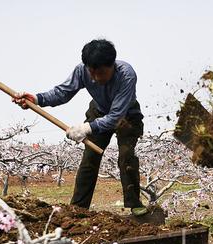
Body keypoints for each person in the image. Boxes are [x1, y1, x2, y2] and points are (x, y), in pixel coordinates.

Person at [13, 39, 148, 216]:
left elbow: (115, 116)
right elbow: (63, 92)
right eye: (92, 73)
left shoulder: (126, 74)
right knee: (89, 159)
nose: (96, 78)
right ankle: (78, 208)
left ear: (112, 66)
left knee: (126, 155)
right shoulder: (82, 70)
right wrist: (37, 99)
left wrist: (86, 128)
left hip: (126, 115)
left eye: (101, 73)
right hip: (98, 110)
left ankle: (134, 204)